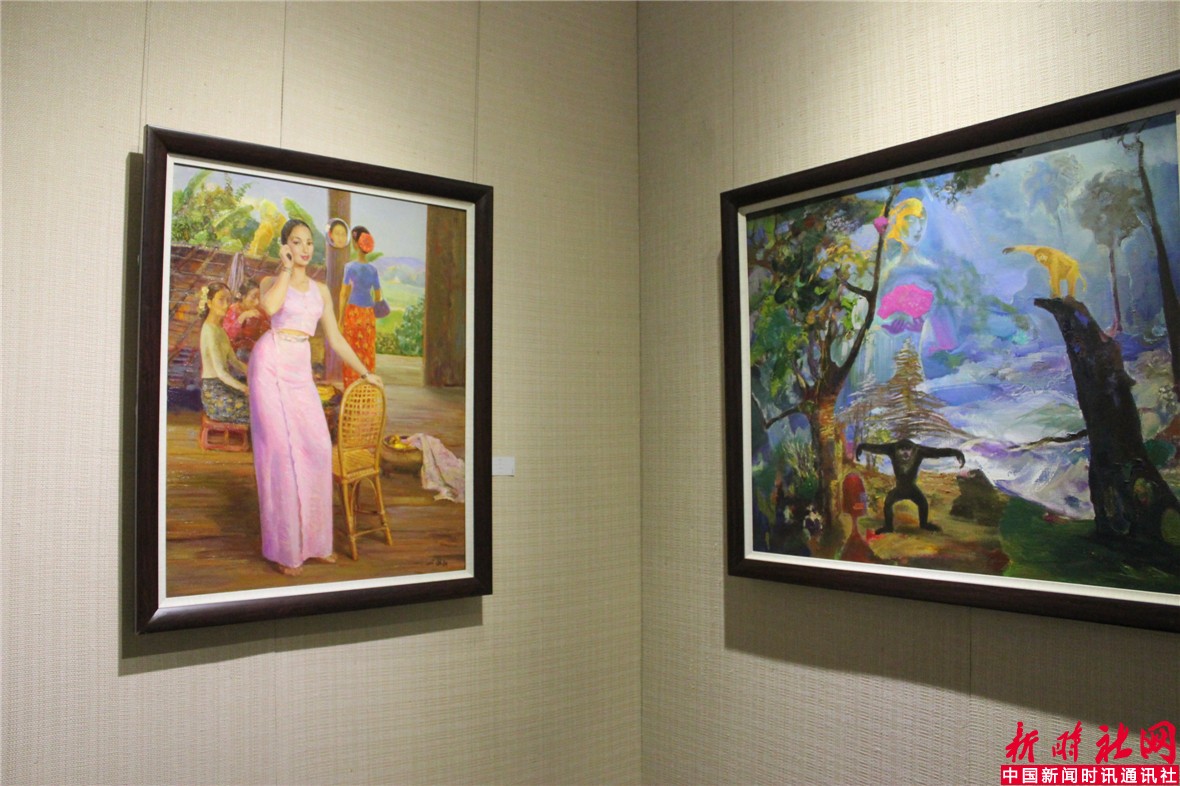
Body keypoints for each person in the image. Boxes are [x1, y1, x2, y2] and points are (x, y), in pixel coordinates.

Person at [248, 219, 382, 576]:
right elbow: (270, 309)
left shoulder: (321, 291)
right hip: (269, 364)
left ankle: (317, 543)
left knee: (319, 447)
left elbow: (335, 339)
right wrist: (285, 269)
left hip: (299, 368)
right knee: (280, 452)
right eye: (296, 242)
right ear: (285, 246)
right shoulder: (270, 281)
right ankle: (285, 549)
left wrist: (365, 372)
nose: (305, 248)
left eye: (309, 242)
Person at [338, 224, 383, 388]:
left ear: (356, 245)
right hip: (368, 315)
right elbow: (378, 296)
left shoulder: (349, 267)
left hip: (352, 314)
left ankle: (351, 390)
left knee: (351, 351)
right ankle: (367, 391)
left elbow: (343, 294)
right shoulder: (373, 270)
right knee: (367, 352)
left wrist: (340, 320)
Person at [198, 283, 250, 424]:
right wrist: (244, 388)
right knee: (258, 408)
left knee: (262, 402)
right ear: (209, 303)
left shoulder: (220, 330)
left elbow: (234, 361)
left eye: (228, 300)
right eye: (221, 300)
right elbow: (220, 372)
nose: (226, 305)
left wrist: (252, 372)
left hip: (225, 387)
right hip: (214, 394)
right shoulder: (209, 331)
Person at [222, 278, 270, 355]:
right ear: (243, 296)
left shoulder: (259, 312)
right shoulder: (233, 311)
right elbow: (228, 336)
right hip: (235, 353)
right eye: (253, 297)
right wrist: (243, 317)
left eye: (259, 298)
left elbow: (267, 329)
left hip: (255, 350)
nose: (257, 302)